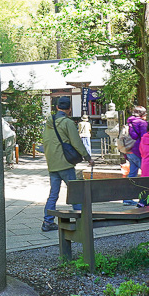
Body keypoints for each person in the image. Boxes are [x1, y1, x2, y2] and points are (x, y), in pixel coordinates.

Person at [41, 96, 91, 232]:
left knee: (53, 194)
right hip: (65, 163)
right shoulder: (67, 123)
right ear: (69, 109)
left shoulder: (48, 123)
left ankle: (47, 221)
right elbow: (76, 142)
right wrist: (87, 157)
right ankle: (81, 220)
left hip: (52, 164)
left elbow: (45, 142)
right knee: (75, 192)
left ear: (57, 107)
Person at [125, 106, 148, 178]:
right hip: (137, 150)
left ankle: (129, 185)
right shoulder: (142, 123)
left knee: (132, 173)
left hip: (129, 150)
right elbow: (144, 138)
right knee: (147, 172)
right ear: (142, 114)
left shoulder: (130, 122)